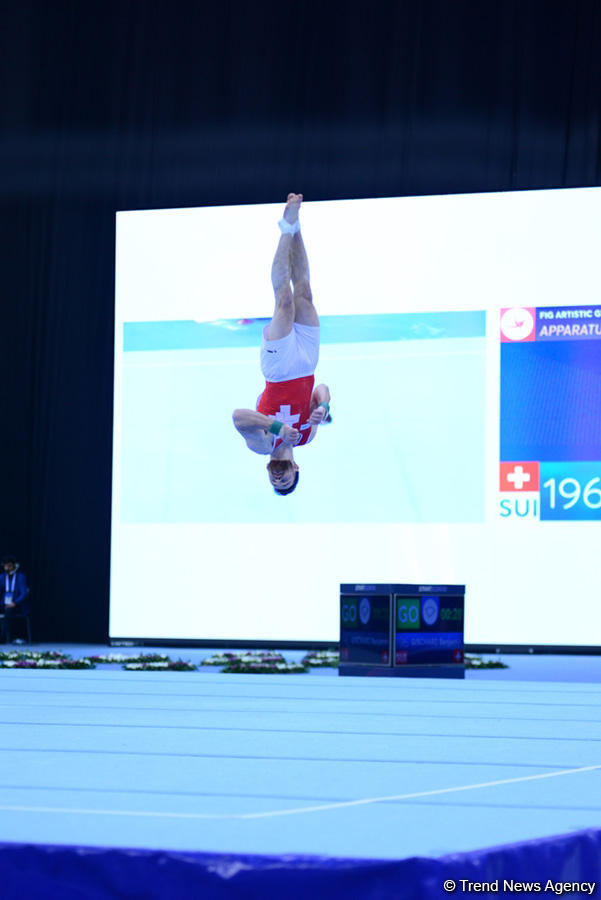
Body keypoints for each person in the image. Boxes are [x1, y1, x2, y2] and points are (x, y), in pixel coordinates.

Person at [232, 193, 331, 495]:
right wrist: (323, 408)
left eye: (275, 480)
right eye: (286, 479)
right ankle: (295, 225)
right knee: (304, 293)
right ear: (296, 469)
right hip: (306, 366)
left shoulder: (263, 445)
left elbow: (238, 417)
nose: (279, 477)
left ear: (268, 471)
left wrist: (276, 428)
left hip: (277, 370)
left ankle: (284, 229)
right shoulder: (306, 437)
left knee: (284, 303)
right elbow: (321, 389)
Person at [0, 555, 30, 642]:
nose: (7, 568)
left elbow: (24, 594)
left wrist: (15, 603)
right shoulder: (2, 577)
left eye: (9, 566)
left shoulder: (20, 577)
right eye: (5, 566)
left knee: (8, 610)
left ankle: (3, 638)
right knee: (5, 609)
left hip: (18, 605)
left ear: (14, 566)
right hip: (4, 603)